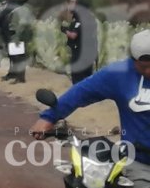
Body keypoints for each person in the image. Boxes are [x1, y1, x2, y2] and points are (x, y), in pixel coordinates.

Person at [31, 30, 150, 187]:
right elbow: (82, 91)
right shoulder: (120, 74)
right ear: (133, 60)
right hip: (137, 162)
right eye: (144, 67)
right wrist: (49, 117)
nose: (149, 71)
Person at [61, 0, 98, 84]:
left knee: (78, 82)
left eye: (72, 2)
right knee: (86, 82)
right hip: (87, 54)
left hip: (80, 55)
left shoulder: (82, 17)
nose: (69, 4)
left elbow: (74, 35)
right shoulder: (86, 15)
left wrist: (64, 30)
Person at [6, 0, 34, 84]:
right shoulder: (28, 8)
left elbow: (22, 24)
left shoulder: (21, 9)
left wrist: (17, 38)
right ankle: (19, 77)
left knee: (18, 57)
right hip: (23, 36)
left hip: (17, 35)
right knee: (19, 57)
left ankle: (20, 78)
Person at [0, 0, 20, 81]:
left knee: (14, 55)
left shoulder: (13, 3)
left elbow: (4, 14)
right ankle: (12, 73)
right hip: (10, 32)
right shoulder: (14, 2)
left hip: (11, 33)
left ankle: (15, 74)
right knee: (12, 55)